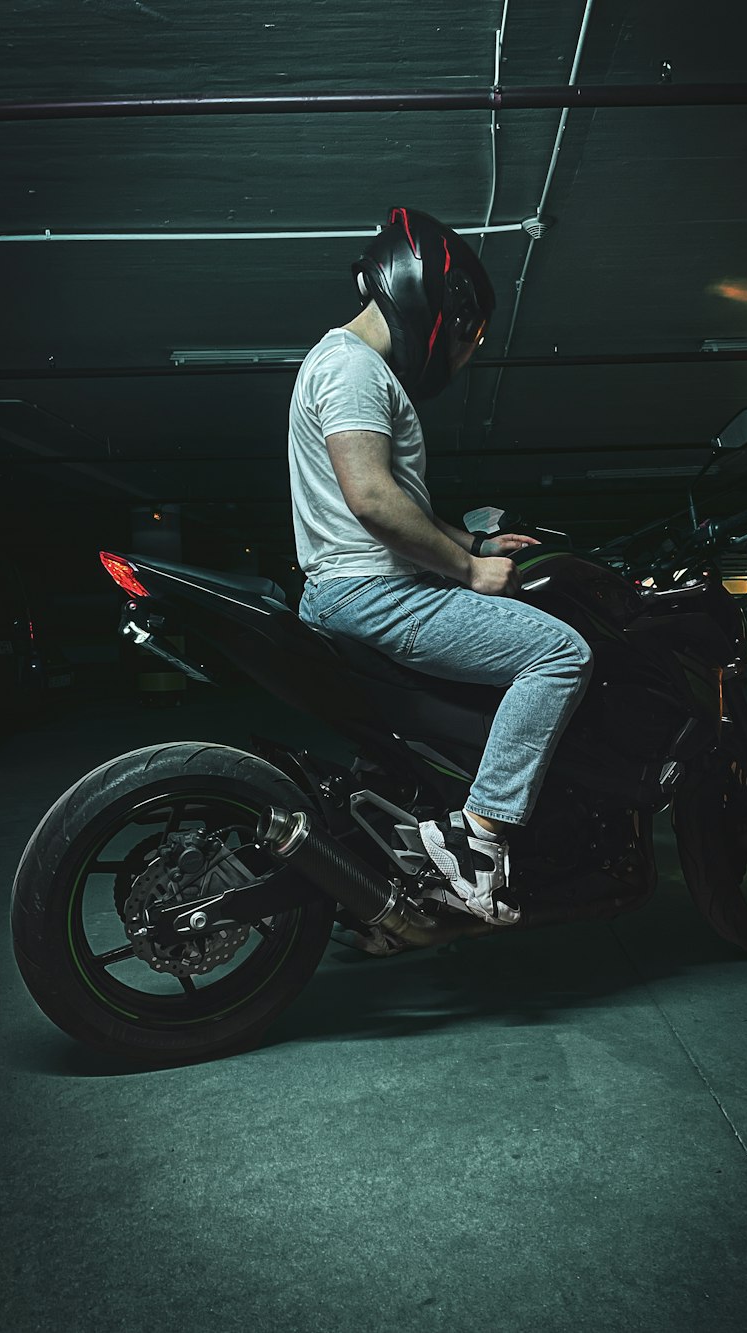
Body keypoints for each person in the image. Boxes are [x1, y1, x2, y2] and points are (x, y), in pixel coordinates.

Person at [289, 206, 593, 927]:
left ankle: (385, 886)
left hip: (350, 590)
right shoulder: (354, 366)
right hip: (374, 593)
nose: (459, 356)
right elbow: (370, 499)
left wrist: (474, 539)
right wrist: (467, 568)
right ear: (433, 297)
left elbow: (393, 501)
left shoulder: (344, 363)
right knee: (560, 653)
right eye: (464, 338)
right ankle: (476, 837)